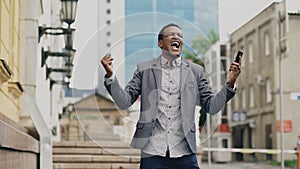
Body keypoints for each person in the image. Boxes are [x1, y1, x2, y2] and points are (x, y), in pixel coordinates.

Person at [101, 23, 241, 169]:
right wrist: (110, 76)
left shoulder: (196, 71)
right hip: (153, 152)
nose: (176, 37)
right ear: (160, 43)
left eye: (180, 35)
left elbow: (211, 106)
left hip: (185, 151)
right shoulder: (144, 69)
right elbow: (124, 101)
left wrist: (230, 83)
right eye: (171, 34)